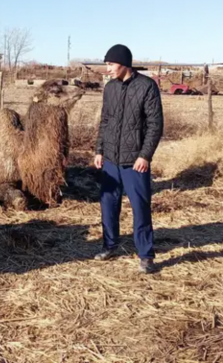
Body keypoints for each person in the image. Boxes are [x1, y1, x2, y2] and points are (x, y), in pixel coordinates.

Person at [93, 44, 164, 273]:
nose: (108, 69)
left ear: (124, 64)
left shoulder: (147, 86)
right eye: (106, 65)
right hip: (111, 159)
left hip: (135, 161)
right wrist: (99, 150)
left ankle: (145, 255)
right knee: (108, 204)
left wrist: (145, 155)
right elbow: (105, 121)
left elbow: (155, 125)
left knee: (140, 207)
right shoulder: (110, 88)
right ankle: (109, 245)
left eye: (111, 64)